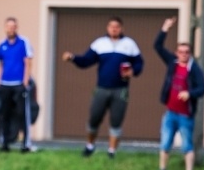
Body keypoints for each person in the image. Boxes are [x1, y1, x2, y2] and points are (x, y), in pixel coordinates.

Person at [62, 16, 144, 158]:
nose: (114, 29)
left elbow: (139, 63)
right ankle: (90, 146)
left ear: (121, 28)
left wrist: (133, 71)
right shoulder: (100, 43)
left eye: (117, 26)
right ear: (107, 28)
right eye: (111, 26)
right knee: (94, 118)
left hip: (121, 89)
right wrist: (73, 58)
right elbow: (86, 61)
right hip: (101, 88)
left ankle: (111, 151)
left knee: (116, 120)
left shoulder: (129, 44)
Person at [153, 17, 204, 170]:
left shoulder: (194, 69)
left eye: (186, 52)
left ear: (189, 54)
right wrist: (165, 28)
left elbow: (203, 88)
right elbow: (157, 47)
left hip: (185, 115)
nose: (183, 54)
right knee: (165, 143)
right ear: (176, 53)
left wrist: (189, 93)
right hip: (170, 113)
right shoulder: (172, 63)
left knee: (186, 146)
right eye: (181, 52)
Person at [0, 17, 35, 153]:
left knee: (22, 114)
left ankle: (26, 144)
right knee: (4, 114)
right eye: (8, 26)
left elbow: (28, 62)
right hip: (5, 84)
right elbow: (0, 64)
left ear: (16, 28)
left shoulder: (23, 42)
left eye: (13, 27)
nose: (11, 29)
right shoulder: (2, 44)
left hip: (19, 83)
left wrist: (25, 82)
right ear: (5, 28)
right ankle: (4, 143)